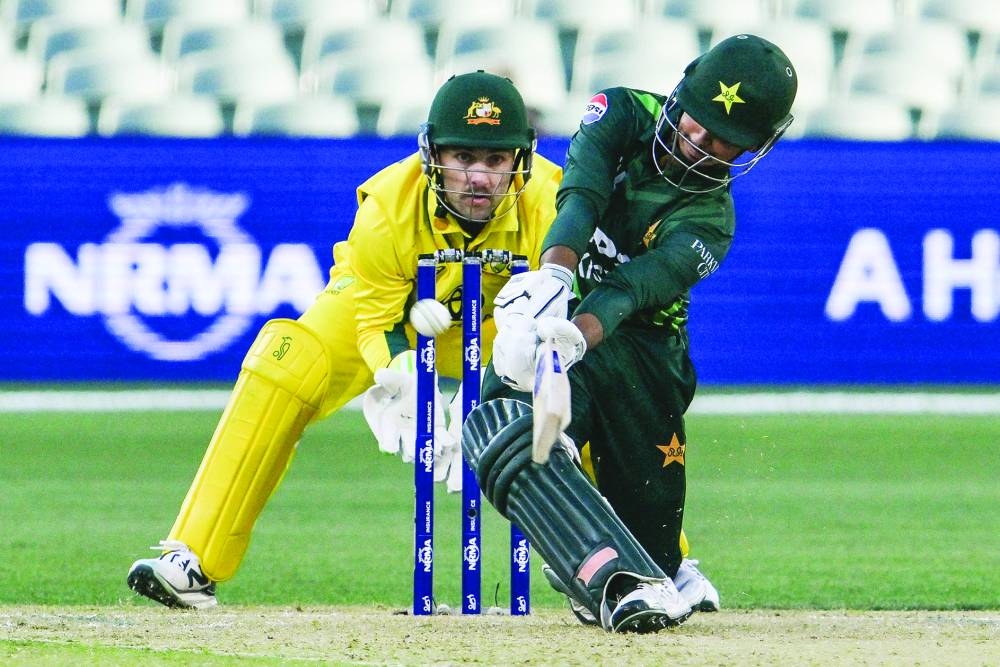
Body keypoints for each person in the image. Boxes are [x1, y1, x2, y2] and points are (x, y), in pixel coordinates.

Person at [126, 70, 563, 609]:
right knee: (286, 360)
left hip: (503, 324)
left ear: (520, 160)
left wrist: (531, 381)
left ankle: (648, 563)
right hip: (398, 317)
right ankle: (194, 557)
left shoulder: (552, 200)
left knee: (594, 377)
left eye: (496, 161)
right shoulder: (388, 206)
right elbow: (376, 318)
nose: (479, 178)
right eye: (463, 158)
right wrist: (405, 384)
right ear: (433, 155)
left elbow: (563, 314)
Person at [461, 34, 797, 633]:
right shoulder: (619, 111)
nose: (699, 143)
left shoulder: (710, 222)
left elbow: (632, 291)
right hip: (572, 305)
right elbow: (582, 191)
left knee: (655, 540)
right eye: (698, 121)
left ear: (753, 147)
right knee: (504, 423)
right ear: (683, 90)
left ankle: (664, 572)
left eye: (724, 140)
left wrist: (567, 336)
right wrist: (554, 278)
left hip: (645, 359)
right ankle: (592, 565)